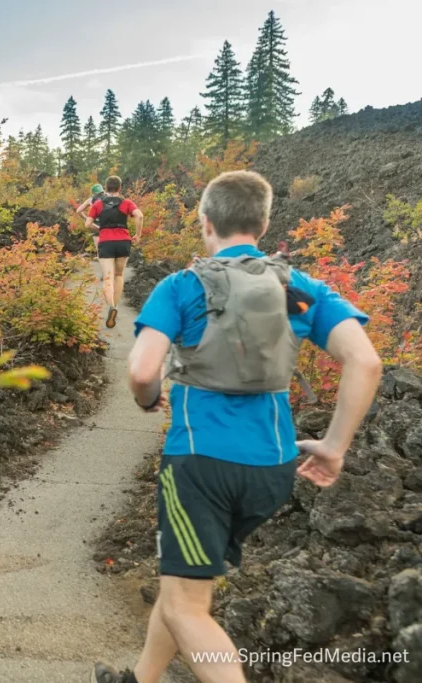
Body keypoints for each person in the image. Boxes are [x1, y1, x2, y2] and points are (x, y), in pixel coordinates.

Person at [92, 170, 383, 683]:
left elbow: (141, 371)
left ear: (206, 222)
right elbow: (365, 362)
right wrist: (335, 446)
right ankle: (140, 678)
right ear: (264, 223)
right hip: (273, 467)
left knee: (187, 605)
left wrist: (150, 398)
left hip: (200, 467)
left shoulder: (182, 286)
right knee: (184, 580)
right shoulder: (299, 286)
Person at [86, 176, 143, 329]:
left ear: (106, 188)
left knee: (108, 278)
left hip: (105, 242)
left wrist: (101, 229)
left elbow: (88, 223)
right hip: (123, 242)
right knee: (119, 275)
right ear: (120, 188)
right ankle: (115, 305)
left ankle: (111, 306)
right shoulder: (126, 203)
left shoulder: (98, 204)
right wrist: (138, 234)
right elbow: (139, 215)